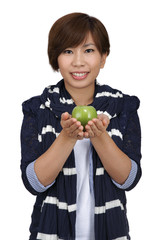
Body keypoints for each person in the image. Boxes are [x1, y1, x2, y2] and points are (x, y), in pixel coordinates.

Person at [20, 12, 142, 240]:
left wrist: (100, 137)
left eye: (88, 50)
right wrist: (66, 138)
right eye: (68, 51)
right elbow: (33, 183)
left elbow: (129, 179)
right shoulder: (37, 108)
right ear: (55, 57)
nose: (78, 61)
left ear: (103, 57)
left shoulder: (123, 107)